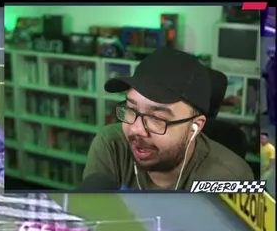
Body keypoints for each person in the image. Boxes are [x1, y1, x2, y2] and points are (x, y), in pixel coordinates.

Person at [83, 47, 254, 191]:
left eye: (156, 117)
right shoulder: (111, 144)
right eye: (131, 109)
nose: (135, 129)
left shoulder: (231, 178)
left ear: (195, 126)